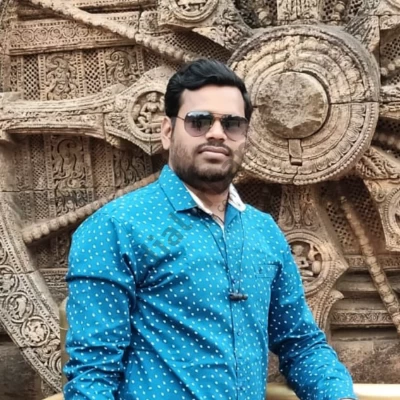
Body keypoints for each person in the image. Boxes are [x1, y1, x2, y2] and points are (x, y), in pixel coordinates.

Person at [64, 59, 356, 400]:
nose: (217, 133)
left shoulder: (263, 231)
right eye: (199, 121)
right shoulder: (115, 228)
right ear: (167, 132)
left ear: (244, 136)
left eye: (232, 124)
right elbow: (93, 377)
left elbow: (301, 345)